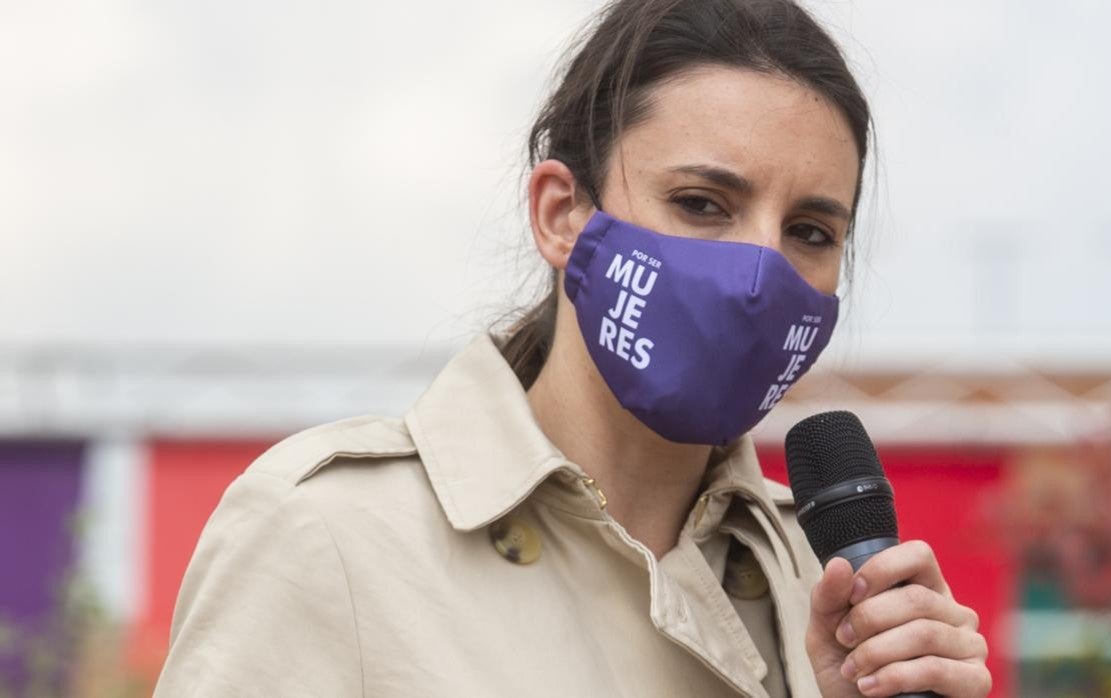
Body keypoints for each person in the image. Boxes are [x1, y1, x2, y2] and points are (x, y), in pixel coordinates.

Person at [155, 0, 991, 696]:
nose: (759, 274)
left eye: (810, 230)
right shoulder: (330, 535)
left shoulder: (830, 580)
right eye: (703, 203)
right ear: (562, 215)